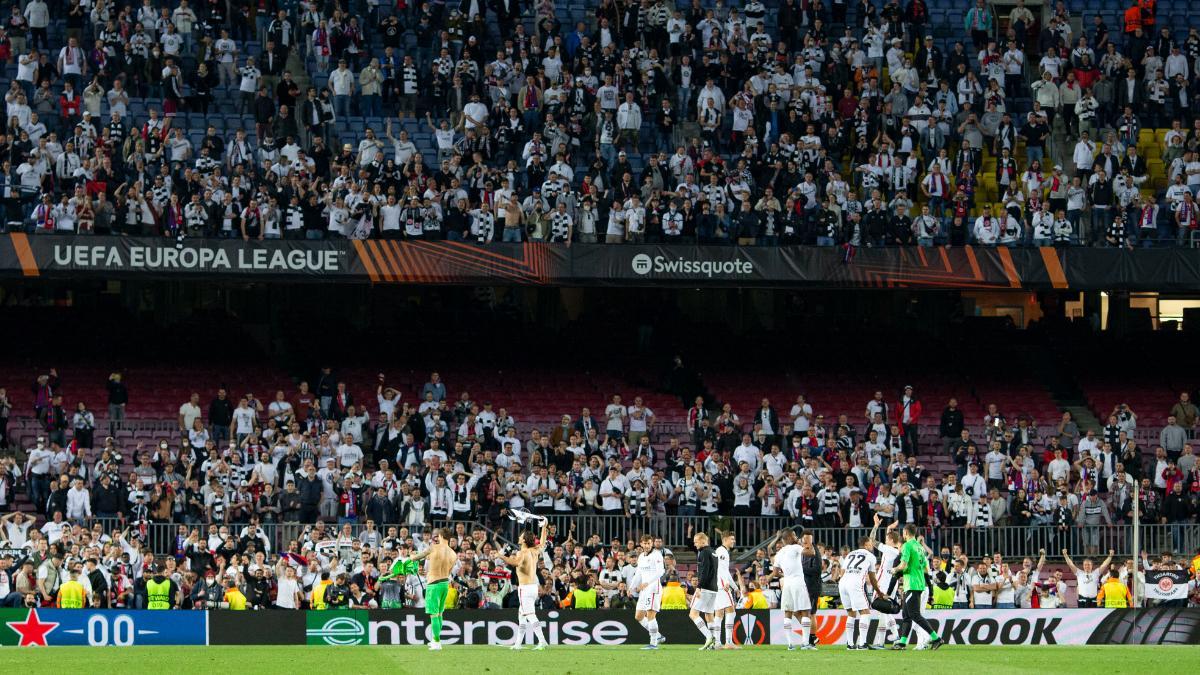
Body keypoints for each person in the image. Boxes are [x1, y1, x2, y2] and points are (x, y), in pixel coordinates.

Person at [399, 527, 457, 650]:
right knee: (440, 613)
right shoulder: (453, 553)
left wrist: (411, 554)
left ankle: (436, 642)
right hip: (444, 584)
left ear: (440, 536)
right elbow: (449, 571)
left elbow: (414, 558)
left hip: (433, 584)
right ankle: (436, 640)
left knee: (433, 614)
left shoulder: (433, 548)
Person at [890, 524, 944, 650]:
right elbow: (926, 568)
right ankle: (903, 642)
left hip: (912, 584)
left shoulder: (907, 546)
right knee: (906, 615)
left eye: (903, 532)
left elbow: (902, 565)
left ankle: (936, 638)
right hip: (919, 583)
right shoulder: (920, 547)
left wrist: (894, 569)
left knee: (914, 615)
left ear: (905, 532)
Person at [499, 516, 549, 650]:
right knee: (522, 615)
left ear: (524, 540)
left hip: (525, 588)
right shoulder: (535, 550)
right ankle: (517, 644)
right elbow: (543, 543)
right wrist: (544, 526)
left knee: (530, 615)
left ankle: (542, 641)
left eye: (521, 536)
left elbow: (515, 563)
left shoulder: (522, 552)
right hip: (533, 587)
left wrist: (501, 556)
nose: (519, 537)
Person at [838, 535, 887, 650]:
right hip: (855, 584)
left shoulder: (850, 554)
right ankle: (862, 643)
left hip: (843, 583)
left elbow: (842, 572)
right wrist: (879, 592)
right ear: (865, 545)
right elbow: (873, 578)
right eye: (870, 543)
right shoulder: (870, 556)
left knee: (851, 613)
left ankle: (850, 644)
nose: (872, 545)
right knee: (865, 612)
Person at [772, 528, 816, 651]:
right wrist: (808, 543)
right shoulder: (795, 547)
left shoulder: (779, 553)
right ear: (789, 537)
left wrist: (787, 573)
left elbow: (775, 572)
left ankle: (790, 644)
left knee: (788, 612)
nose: (796, 537)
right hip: (798, 583)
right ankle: (805, 643)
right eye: (794, 535)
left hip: (787, 584)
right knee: (805, 611)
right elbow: (811, 553)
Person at [870, 516, 903, 647]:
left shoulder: (889, 549)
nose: (885, 540)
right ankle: (882, 641)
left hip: (883, 583)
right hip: (890, 583)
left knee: (882, 610)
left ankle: (895, 636)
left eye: (886, 539)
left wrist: (876, 525)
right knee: (883, 611)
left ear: (890, 540)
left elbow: (871, 541)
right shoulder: (896, 551)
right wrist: (889, 528)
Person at [634, 533, 666, 650]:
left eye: (649, 543)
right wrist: (631, 587)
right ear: (641, 544)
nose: (647, 545)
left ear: (652, 543)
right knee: (639, 616)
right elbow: (638, 573)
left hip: (653, 588)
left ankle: (653, 643)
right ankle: (658, 635)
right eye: (645, 543)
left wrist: (647, 582)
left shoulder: (657, 555)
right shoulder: (641, 556)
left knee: (651, 615)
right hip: (644, 590)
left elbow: (660, 572)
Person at [690, 530, 719, 650]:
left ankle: (709, 637)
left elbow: (704, 571)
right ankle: (714, 643)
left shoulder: (703, 553)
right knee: (709, 615)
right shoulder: (713, 552)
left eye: (696, 542)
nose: (695, 544)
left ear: (703, 541)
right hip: (714, 588)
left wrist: (698, 587)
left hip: (705, 588)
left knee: (693, 614)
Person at [713, 530, 740, 649]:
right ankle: (728, 642)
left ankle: (717, 642)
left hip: (718, 585)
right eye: (732, 539)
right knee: (731, 611)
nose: (733, 541)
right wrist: (724, 584)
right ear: (725, 540)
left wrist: (735, 587)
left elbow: (725, 571)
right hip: (722, 586)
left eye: (734, 539)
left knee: (719, 613)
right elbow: (719, 569)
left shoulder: (721, 551)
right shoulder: (722, 552)